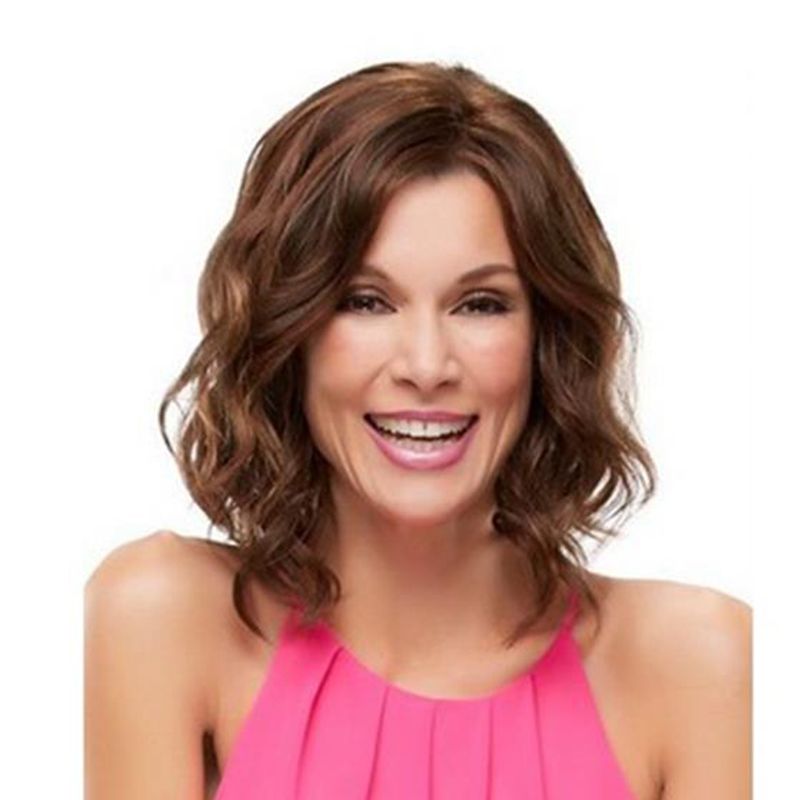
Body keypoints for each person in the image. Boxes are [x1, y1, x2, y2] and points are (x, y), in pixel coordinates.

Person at [85, 60, 752, 799]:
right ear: (288, 334)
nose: (427, 365)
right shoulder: (166, 617)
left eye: (481, 304)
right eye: (366, 301)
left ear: (547, 339)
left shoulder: (697, 663)